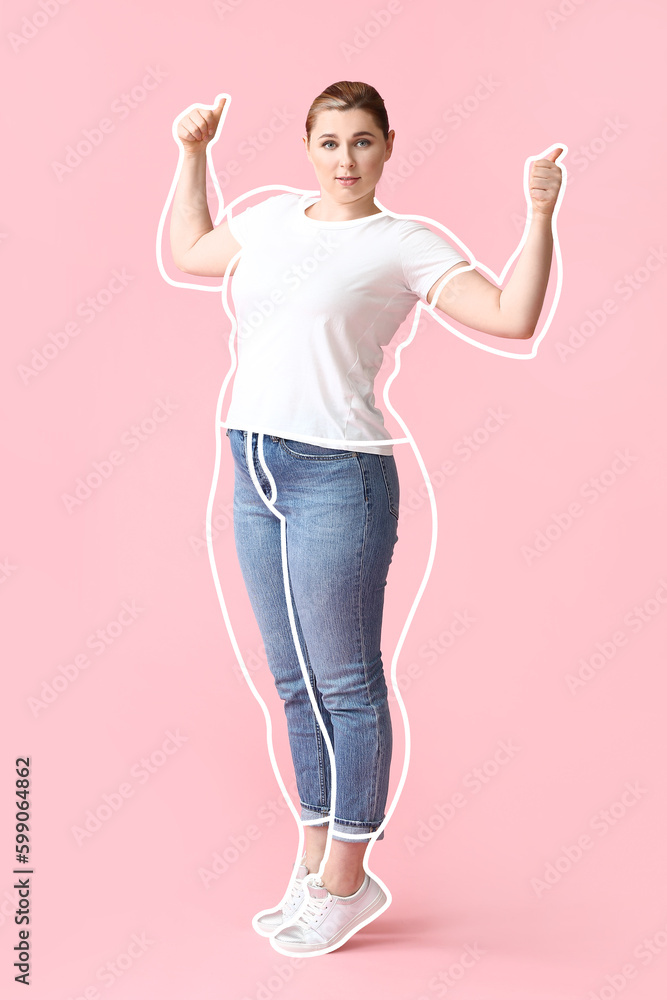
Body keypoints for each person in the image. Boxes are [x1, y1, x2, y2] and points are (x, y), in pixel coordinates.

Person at [166, 80, 563, 957]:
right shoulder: (269, 218)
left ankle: (348, 880)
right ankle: (313, 869)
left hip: (337, 475)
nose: (345, 159)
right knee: (292, 684)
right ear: (307, 145)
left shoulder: (403, 243)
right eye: (330, 142)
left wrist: (539, 217)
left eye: (362, 143)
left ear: (388, 146)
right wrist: (192, 155)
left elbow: (511, 314)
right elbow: (191, 249)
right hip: (251, 460)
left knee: (345, 684)